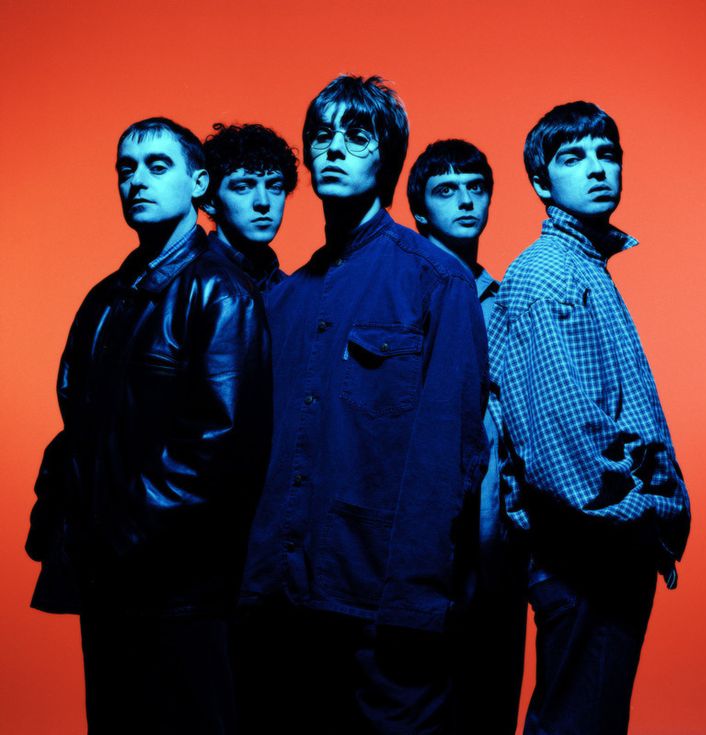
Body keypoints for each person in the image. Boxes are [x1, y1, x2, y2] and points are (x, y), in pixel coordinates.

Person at [237, 75, 489, 734]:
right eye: (320, 136)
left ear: (388, 154)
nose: (333, 149)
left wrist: (410, 602)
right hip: (283, 603)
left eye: (356, 135)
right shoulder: (282, 300)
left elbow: (448, 455)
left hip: (386, 606)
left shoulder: (436, 282)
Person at [25, 117, 271, 735]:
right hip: (111, 581)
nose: (137, 181)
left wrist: (120, 535)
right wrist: (56, 516)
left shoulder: (220, 292)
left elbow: (219, 449)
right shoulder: (108, 294)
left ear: (198, 182)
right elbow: (80, 425)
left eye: (158, 167)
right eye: (126, 169)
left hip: (178, 589)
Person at [487, 101, 691, 735]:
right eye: (573, 157)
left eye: (607, 153)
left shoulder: (583, 269)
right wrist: (647, 515)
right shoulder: (549, 276)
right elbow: (560, 439)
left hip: (601, 550)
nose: (597, 168)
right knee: (577, 723)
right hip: (586, 553)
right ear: (543, 183)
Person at [407, 138, 526, 735]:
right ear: (420, 209)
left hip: (498, 541)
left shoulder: (505, 301)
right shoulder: (400, 292)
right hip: (418, 543)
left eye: (476, 188)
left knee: (491, 698)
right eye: (446, 190)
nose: (465, 202)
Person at [202, 122, 298, 290]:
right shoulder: (190, 284)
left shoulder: (291, 291)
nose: (263, 202)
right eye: (243, 187)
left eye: (274, 187)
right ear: (210, 201)